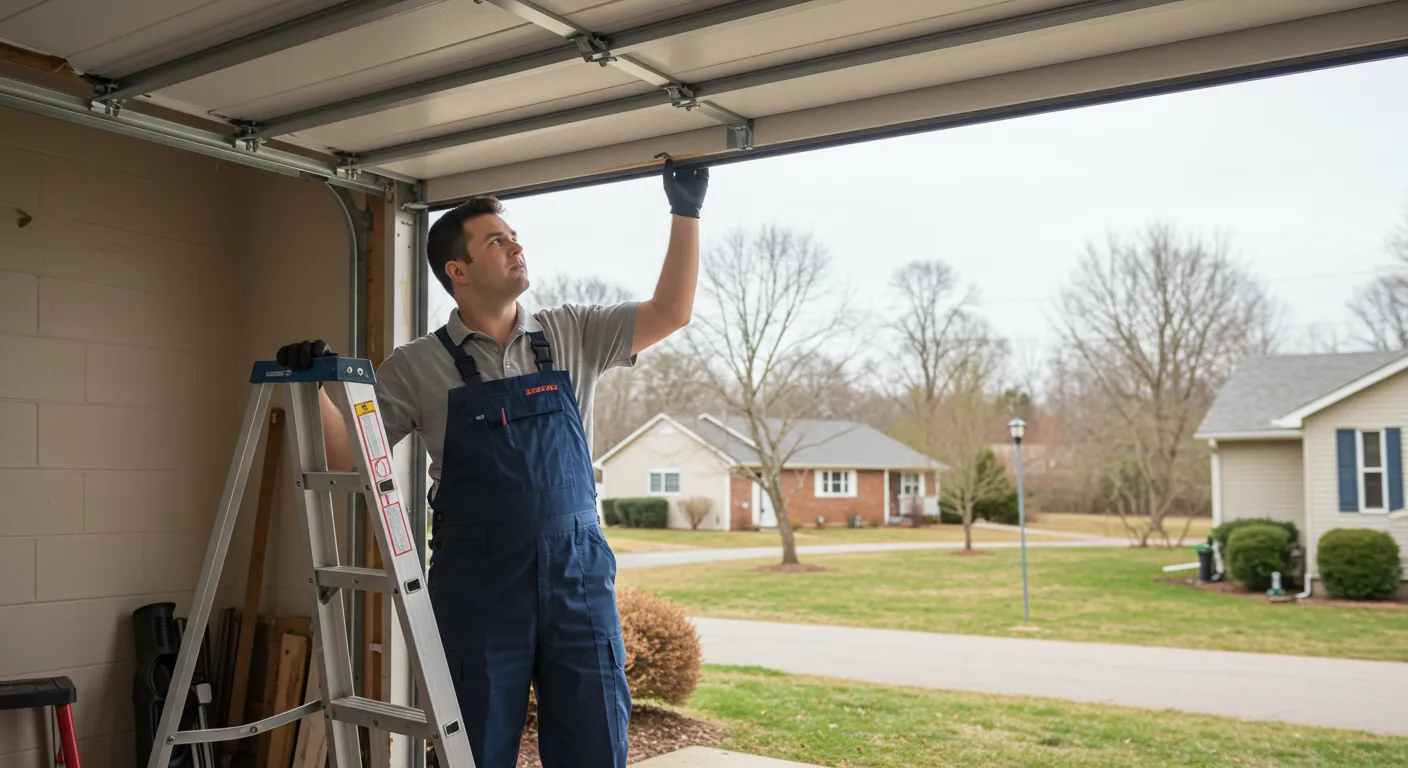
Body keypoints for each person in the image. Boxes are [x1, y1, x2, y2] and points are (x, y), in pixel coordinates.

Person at [275, 159, 709, 767]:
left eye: (515, 237)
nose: (516, 247)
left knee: (593, 743)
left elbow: (671, 312)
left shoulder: (571, 333)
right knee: (472, 750)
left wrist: (686, 210)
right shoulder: (415, 366)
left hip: (576, 576)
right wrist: (313, 382)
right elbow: (346, 451)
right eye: (497, 241)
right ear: (459, 271)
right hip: (479, 586)